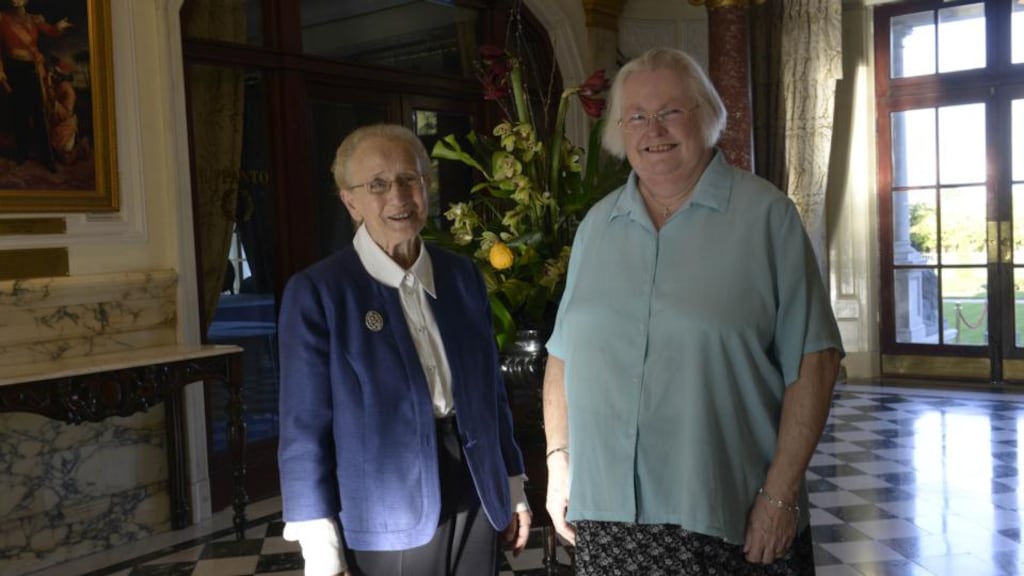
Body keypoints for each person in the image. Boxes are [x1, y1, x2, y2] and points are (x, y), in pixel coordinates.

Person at [542, 47, 844, 575]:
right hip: (608, 515)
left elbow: (814, 361)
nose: (652, 129)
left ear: (707, 116)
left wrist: (780, 495)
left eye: (671, 111)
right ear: (619, 130)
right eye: (636, 116)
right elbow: (562, 357)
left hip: (728, 514)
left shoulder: (766, 217)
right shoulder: (596, 226)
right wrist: (558, 462)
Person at [278, 123, 532, 576]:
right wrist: (319, 542)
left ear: (426, 187)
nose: (398, 196)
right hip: (386, 508)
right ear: (349, 200)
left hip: (476, 486)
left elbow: (490, 393)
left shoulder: (463, 277)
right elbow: (303, 428)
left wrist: (512, 485)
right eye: (377, 184)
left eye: (409, 179)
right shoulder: (320, 292)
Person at [0, 0, 71, 171]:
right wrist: (0, 71)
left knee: (40, 113)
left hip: (34, 69)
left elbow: (51, 31)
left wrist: (59, 27)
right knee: (19, 113)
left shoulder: (34, 19)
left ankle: (46, 157)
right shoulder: (2, 18)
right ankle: (22, 153)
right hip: (14, 69)